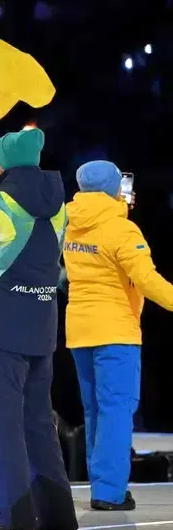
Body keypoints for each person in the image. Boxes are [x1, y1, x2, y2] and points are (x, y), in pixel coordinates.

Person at [0, 128, 78, 530]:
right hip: (42, 324)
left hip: (1, 330)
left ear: (3, 162)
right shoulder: (59, 206)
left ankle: (14, 514)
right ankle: (58, 515)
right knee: (38, 423)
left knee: (1, 424)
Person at [63, 160, 173, 511]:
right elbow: (147, 281)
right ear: (114, 187)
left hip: (80, 330)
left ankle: (103, 484)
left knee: (95, 410)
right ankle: (109, 492)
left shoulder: (70, 223)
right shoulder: (122, 230)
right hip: (116, 332)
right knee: (116, 411)